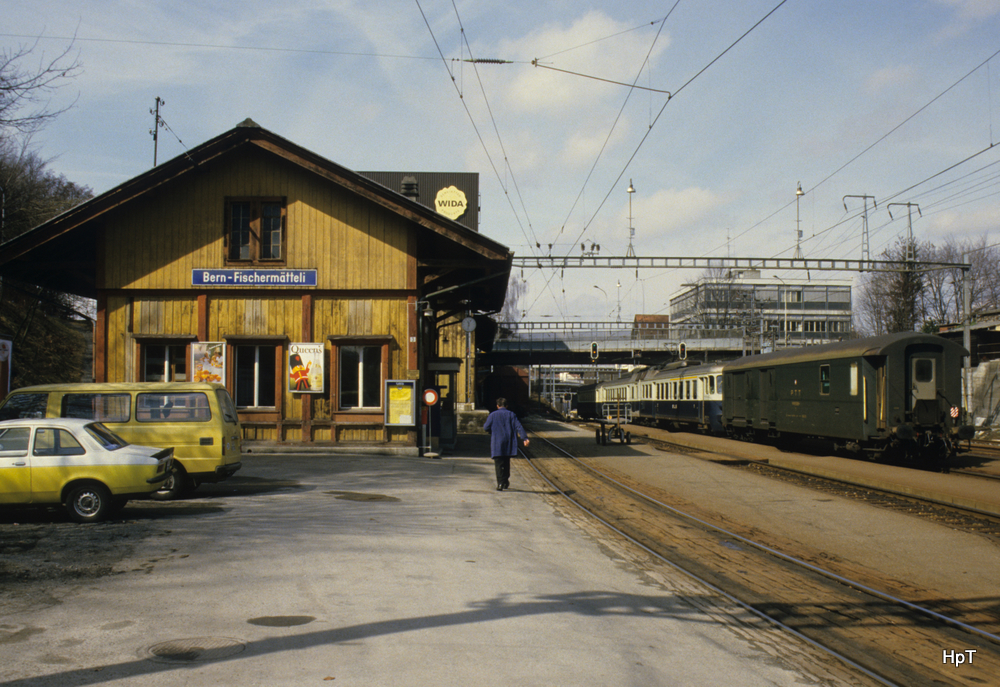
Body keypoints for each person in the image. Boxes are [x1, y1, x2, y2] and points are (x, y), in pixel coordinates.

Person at [482, 397, 529, 491]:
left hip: (497, 442)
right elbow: (518, 426)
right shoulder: (511, 414)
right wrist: (524, 438)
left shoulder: (493, 415)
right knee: (506, 462)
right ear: (506, 406)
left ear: (497, 406)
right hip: (508, 442)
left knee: (498, 463)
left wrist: (492, 431)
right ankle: (505, 481)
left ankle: (500, 483)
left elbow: (486, 427)